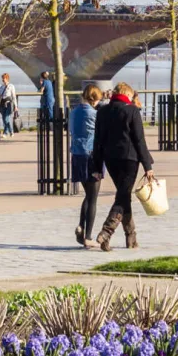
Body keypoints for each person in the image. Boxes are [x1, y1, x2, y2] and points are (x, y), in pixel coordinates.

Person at [91, 82, 154, 251]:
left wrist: (97, 166)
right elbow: (139, 140)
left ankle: (131, 238)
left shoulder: (102, 111)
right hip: (129, 159)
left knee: (124, 196)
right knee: (122, 196)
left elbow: (98, 140)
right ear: (127, 94)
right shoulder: (132, 110)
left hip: (110, 159)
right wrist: (147, 165)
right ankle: (106, 232)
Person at [71, 83, 104, 249]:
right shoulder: (95, 114)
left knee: (87, 194)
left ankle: (81, 226)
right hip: (91, 156)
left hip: (76, 154)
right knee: (93, 198)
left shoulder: (74, 112)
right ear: (94, 99)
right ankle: (88, 236)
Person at [0, 72, 18, 139]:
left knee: (6, 118)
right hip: (2, 104)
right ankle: (10, 132)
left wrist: (15, 106)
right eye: (3, 78)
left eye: (4, 78)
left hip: (9, 103)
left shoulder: (11, 86)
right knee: (3, 118)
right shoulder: (1, 87)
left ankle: (7, 132)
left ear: (7, 79)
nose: (3, 80)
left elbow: (13, 96)